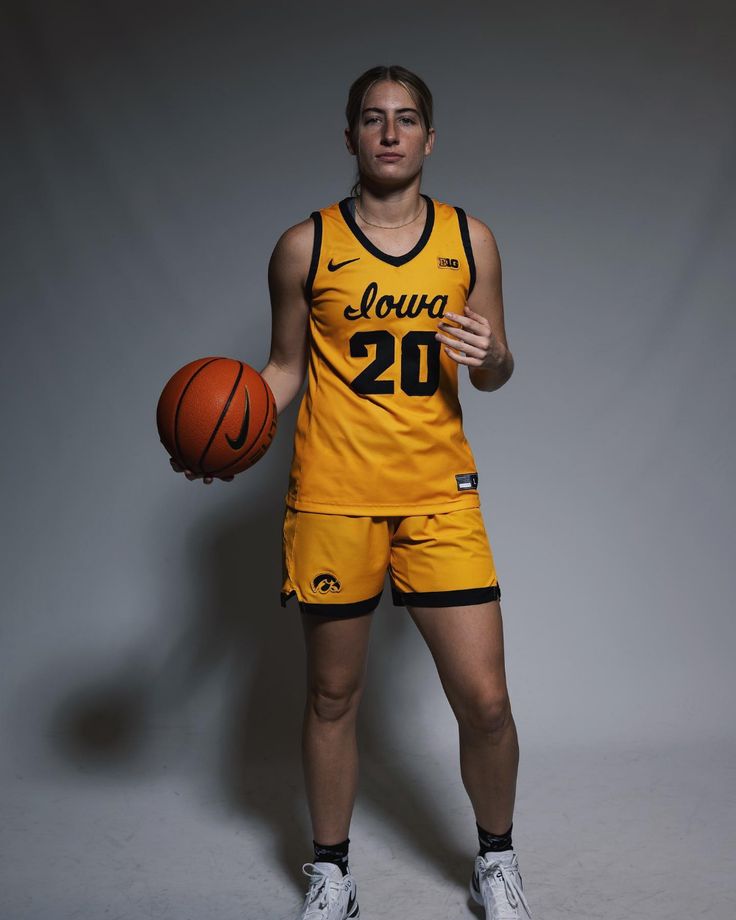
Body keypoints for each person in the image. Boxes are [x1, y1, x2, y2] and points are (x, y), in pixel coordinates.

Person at [172, 64, 532, 920]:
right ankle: (331, 872)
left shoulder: (471, 240)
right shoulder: (306, 246)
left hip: (439, 495)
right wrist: (227, 432)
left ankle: (495, 861)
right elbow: (283, 371)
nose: (391, 132)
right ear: (350, 137)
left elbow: (498, 369)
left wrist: (491, 356)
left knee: (485, 702)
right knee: (333, 696)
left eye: (407, 118)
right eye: (373, 118)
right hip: (333, 496)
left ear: (430, 138)